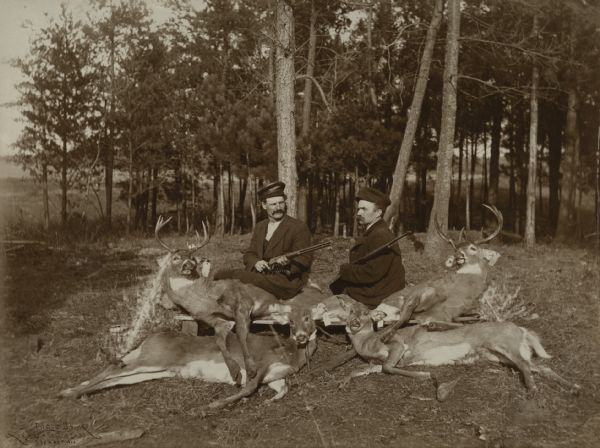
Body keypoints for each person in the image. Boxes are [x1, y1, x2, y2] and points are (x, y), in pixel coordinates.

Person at [213, 181, 313, 299]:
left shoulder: (298, 227)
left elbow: (305, 259)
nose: (278, 208)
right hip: (261, 276)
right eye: (273, 204)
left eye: (281, 203)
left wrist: (287, 263)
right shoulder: (260, 226)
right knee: (221, 274)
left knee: (237, 275)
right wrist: (256, 262)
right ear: (264, 206)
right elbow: (250, 253)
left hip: (284, 281)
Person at [329, 187, 405, 309]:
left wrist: (345, 270)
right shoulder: (374, 232)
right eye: (358, 209)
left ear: (378, 213)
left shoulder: (380, 235)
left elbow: (372, 273)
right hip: (375, 289)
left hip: (378, 295)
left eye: (364, 209)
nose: (358, 213)